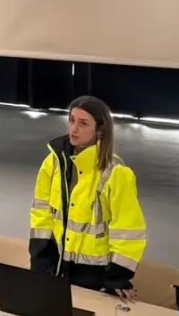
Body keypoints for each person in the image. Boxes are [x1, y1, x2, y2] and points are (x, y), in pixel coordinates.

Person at [28, 96, 147, 295]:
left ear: (100, 130)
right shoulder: (53, 162)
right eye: (72, 120)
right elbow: (41, 215)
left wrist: (116, 279)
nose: (74, 129)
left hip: (95, 277)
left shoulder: (117, 173)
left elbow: (128, 231)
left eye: (83, 123)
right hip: (56, 268)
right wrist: (40, 263)